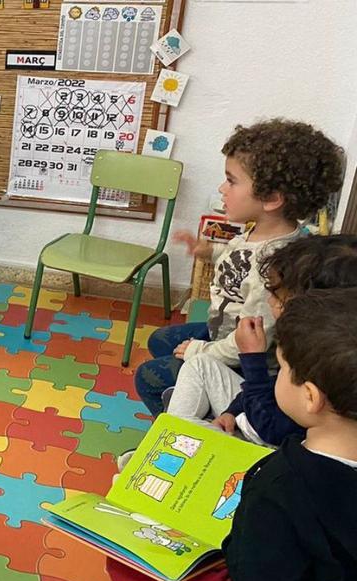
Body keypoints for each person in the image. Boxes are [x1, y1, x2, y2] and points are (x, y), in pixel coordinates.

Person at [119, 289, 357, 581]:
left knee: (125, 565)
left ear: (310, 397)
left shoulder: (282, 488)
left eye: (280, 369)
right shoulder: (300, 470)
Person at [133, 119, 344, 415]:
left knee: (148, 377)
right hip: (223, 330)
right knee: (161, 340)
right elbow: (240, 256)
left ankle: (184, 430)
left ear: (271, 198)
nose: (222, 188)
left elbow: (251, 341)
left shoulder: (274, 267)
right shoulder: (260, 231)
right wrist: (208, 250)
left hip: (244, 360)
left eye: (231, 181)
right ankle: (188, 399)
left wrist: (200, 351)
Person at [165, 235, 357, 448]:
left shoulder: (326, 367)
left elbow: (270, 428)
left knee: (176, 425)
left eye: (278, 297)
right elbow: (269, 388)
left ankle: (175, 436)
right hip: (253, 410)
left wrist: (252, 358)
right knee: (199, 364)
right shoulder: (311, 339)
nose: (269, 301)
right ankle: (179, 430)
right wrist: (232, 410)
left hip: (265, 437)